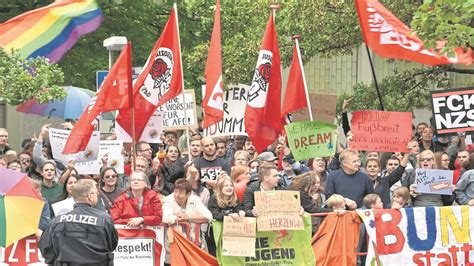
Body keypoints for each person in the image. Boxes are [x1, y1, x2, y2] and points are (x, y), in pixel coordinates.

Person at [38, 179, 118, 265]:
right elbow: (112, 244)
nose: (97, 195)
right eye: (96, 193)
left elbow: (45, 247)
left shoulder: (57, 221)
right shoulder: (104, 219)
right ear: (90, 196)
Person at [162, 179, 213, 251]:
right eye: (175, 191)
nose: (177, 195)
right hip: (175, 242)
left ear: (188, 194)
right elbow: (165, 218)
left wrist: (188, 216)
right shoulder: (168, 200)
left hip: (195, 241)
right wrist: (179, 218)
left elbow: (208, 216)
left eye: (181, 193)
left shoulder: (195, 200)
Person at [207, 174, 245, 256]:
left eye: (231, 185)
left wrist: (241, 212)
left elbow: (238, 209)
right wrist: (228, 216)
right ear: (220, 188)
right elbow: (214, 214)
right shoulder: (214, 198)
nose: (229, 188)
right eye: (226, 186)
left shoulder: (235, 198)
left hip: (232, 232)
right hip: (216, 234)